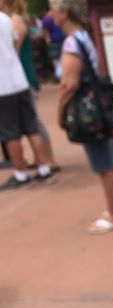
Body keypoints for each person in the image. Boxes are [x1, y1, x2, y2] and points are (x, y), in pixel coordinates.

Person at [51, 0, 113, 233]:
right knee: (112, 161)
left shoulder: (71, 43)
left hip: (87, 112)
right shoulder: (84, 36)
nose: (51, 15)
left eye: (53, 10)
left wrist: (61, 111)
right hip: (99, 107)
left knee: (103, 165)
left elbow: (69, 84)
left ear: (63, 13)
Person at [0, 0, 54, 191]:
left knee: (10, 133)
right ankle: (44, 168)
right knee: (31, 128)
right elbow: (14, 44)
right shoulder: (6, 19)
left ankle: (20, 174)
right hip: (19, 80)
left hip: (3, 86)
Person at [9, 0, 60, 173]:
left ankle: (48, 159)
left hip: (23, 75)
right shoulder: (15, 19)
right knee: (31, 121)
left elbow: (13, 50)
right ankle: (42, 158)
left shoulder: (15, 20)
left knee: (33, 121)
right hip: (22, 74)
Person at [41, 7, 64, 77]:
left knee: (55, 62)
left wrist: (48, 43)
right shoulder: (58, 16)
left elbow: (46, 32)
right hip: (61, 40)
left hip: (53, 41)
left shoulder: (46, 19)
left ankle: (59, 76)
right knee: (62, 59)